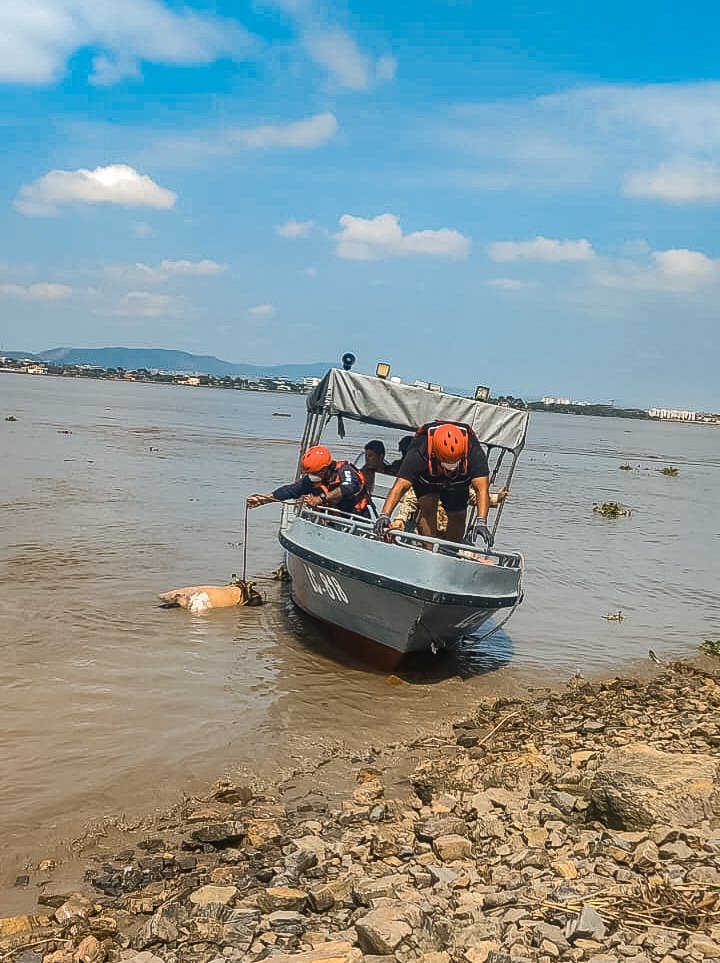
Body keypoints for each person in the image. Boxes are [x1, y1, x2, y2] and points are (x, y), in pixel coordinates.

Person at [374, 421, 493, 546]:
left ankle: (452, 552)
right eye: (447, 464)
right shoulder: (418, 452)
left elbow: (482, 489)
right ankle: (428, 549)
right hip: (428, 475)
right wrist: (385, 515)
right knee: (428, 506)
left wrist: (481, 521)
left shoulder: (474, 451)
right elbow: (400, 486)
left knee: (458, 515)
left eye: (453, 464)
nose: (449, 468)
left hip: (459, 478)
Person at [248, 444, 370, 516]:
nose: (311, 476)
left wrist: (320, 498)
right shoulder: (314, 480)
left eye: (314, 473)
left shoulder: (345, 471)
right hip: (331, 520)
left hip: (356, 517)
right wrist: (263, 499)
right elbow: (291, 490)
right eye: (310, 473)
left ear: (324, 469)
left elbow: (348, 487)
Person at [390, 485, 508, 533]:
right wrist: (401, 519)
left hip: (449, 534)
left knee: (469, 554)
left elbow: (475, 497)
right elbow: (409, 502)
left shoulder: (457, 487)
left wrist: (496, 498)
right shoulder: (424, 484)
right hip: (423, 534)